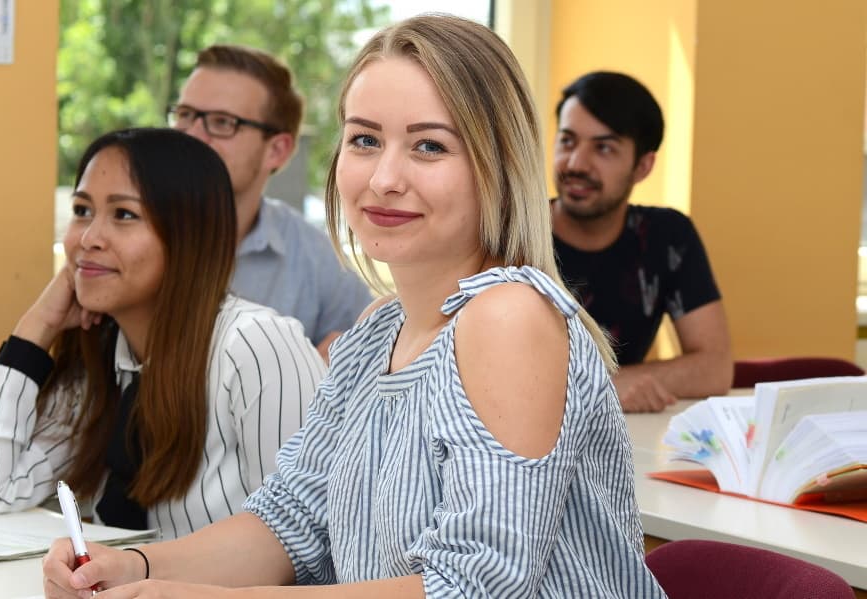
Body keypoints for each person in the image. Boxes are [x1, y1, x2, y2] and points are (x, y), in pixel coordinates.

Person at [42, 15, 666, 598]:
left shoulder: (509, 317)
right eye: (364, 139)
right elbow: (291, 521)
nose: (384, 177)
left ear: (495, 165)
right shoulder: (375, 331)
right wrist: (136, 565)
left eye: (428, 147)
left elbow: (476, 586)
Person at [0, 128, 326, 540]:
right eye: (82, 210)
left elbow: (304, 542)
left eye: (123, 215)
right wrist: (37, 326)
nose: (88, 239)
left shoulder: (257, 346)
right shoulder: (106, 353)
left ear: (188, 236)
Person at [168, 44, 374, 357]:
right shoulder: (119, 234)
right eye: (185, 115)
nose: (192, 135)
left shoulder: (315, 259)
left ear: (277, 150)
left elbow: (371, 346)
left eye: (222, 122)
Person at [551, 71, 732, 413]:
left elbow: (715, 367)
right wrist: (602, 387)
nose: (575, 163)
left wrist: (619, 385)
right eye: (567, 141)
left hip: (619, 442)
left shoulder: (666, 236)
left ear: (643, 167)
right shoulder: (512, 235)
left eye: (603, 148)